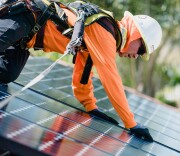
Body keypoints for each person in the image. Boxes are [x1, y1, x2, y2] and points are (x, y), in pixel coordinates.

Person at [0, 0, 162, 142]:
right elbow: (111, 79)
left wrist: (91, 106)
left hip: (25, 38)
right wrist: (130, 123)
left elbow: (83, 74)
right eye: (141, 51)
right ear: (136, 36)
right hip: (22, 16)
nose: (136, 56)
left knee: (7, 74)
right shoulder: (105, 34)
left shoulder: (101, 35)